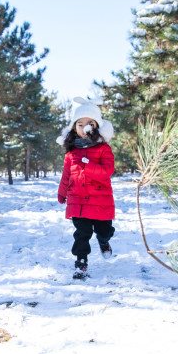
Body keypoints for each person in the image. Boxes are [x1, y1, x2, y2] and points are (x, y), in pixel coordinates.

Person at [57, 98, 116, 279]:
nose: (84, 128)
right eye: (79, 124)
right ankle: (81, 263)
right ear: (74, 127)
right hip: (78, 201)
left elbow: (108, 171)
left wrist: (87, 165)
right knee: (81, 234)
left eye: (89, 123)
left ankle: (103, 240)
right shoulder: (71, 152)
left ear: (96, 126)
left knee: (104, 230)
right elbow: (67, 174)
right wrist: (62, 191)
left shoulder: (103, 148)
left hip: (100, 201)